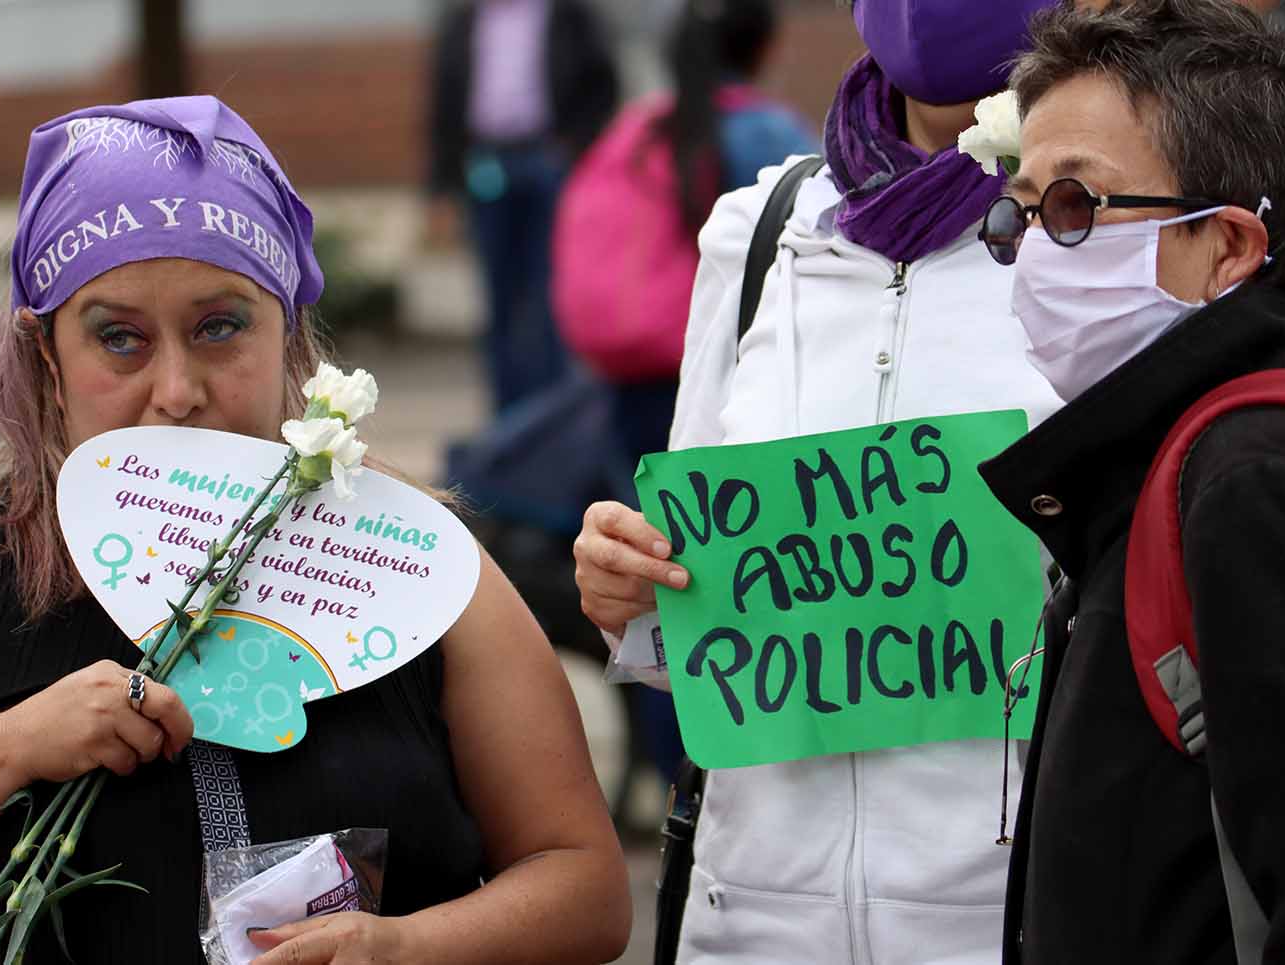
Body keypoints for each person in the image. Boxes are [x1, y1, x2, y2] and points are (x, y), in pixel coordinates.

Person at [0, 95, 631, 964]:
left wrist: (403, 946)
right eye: (119, 339)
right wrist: (13, 742)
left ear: (288, 333)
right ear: (48, 357)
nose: (177, 388)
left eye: (220, 327)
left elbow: (585, 885)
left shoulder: (419, 560)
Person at [572, 0, 1064, 961]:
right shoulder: (757, 234)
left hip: (1008, 919)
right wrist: (631, 590)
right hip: (751, 921)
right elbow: (702, 606)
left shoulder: (1122, 231)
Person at [973, 1, 1285, 961]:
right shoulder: (1138, 465)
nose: (1037, 249)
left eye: (1079, 206)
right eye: (1024, 212)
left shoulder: (1251, 480)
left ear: (1229, 248)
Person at [555, 0, 817, 785]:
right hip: (722, 379)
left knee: (654, 583)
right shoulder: (771, 136)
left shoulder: (633, 131)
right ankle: (725, 754)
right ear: (765, 45)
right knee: (741, 578)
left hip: (627, 387)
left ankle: (674, 773)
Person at [427, 0, 619, 413]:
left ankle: (553, 412)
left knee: (551, 293)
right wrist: (441, 187)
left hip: (549, 163)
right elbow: (442, 104)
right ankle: (508, 417)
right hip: (486, 167)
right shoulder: (464, 20)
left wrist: (575, 149)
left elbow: (604, 86)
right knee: (498, 297)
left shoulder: (569, 14)